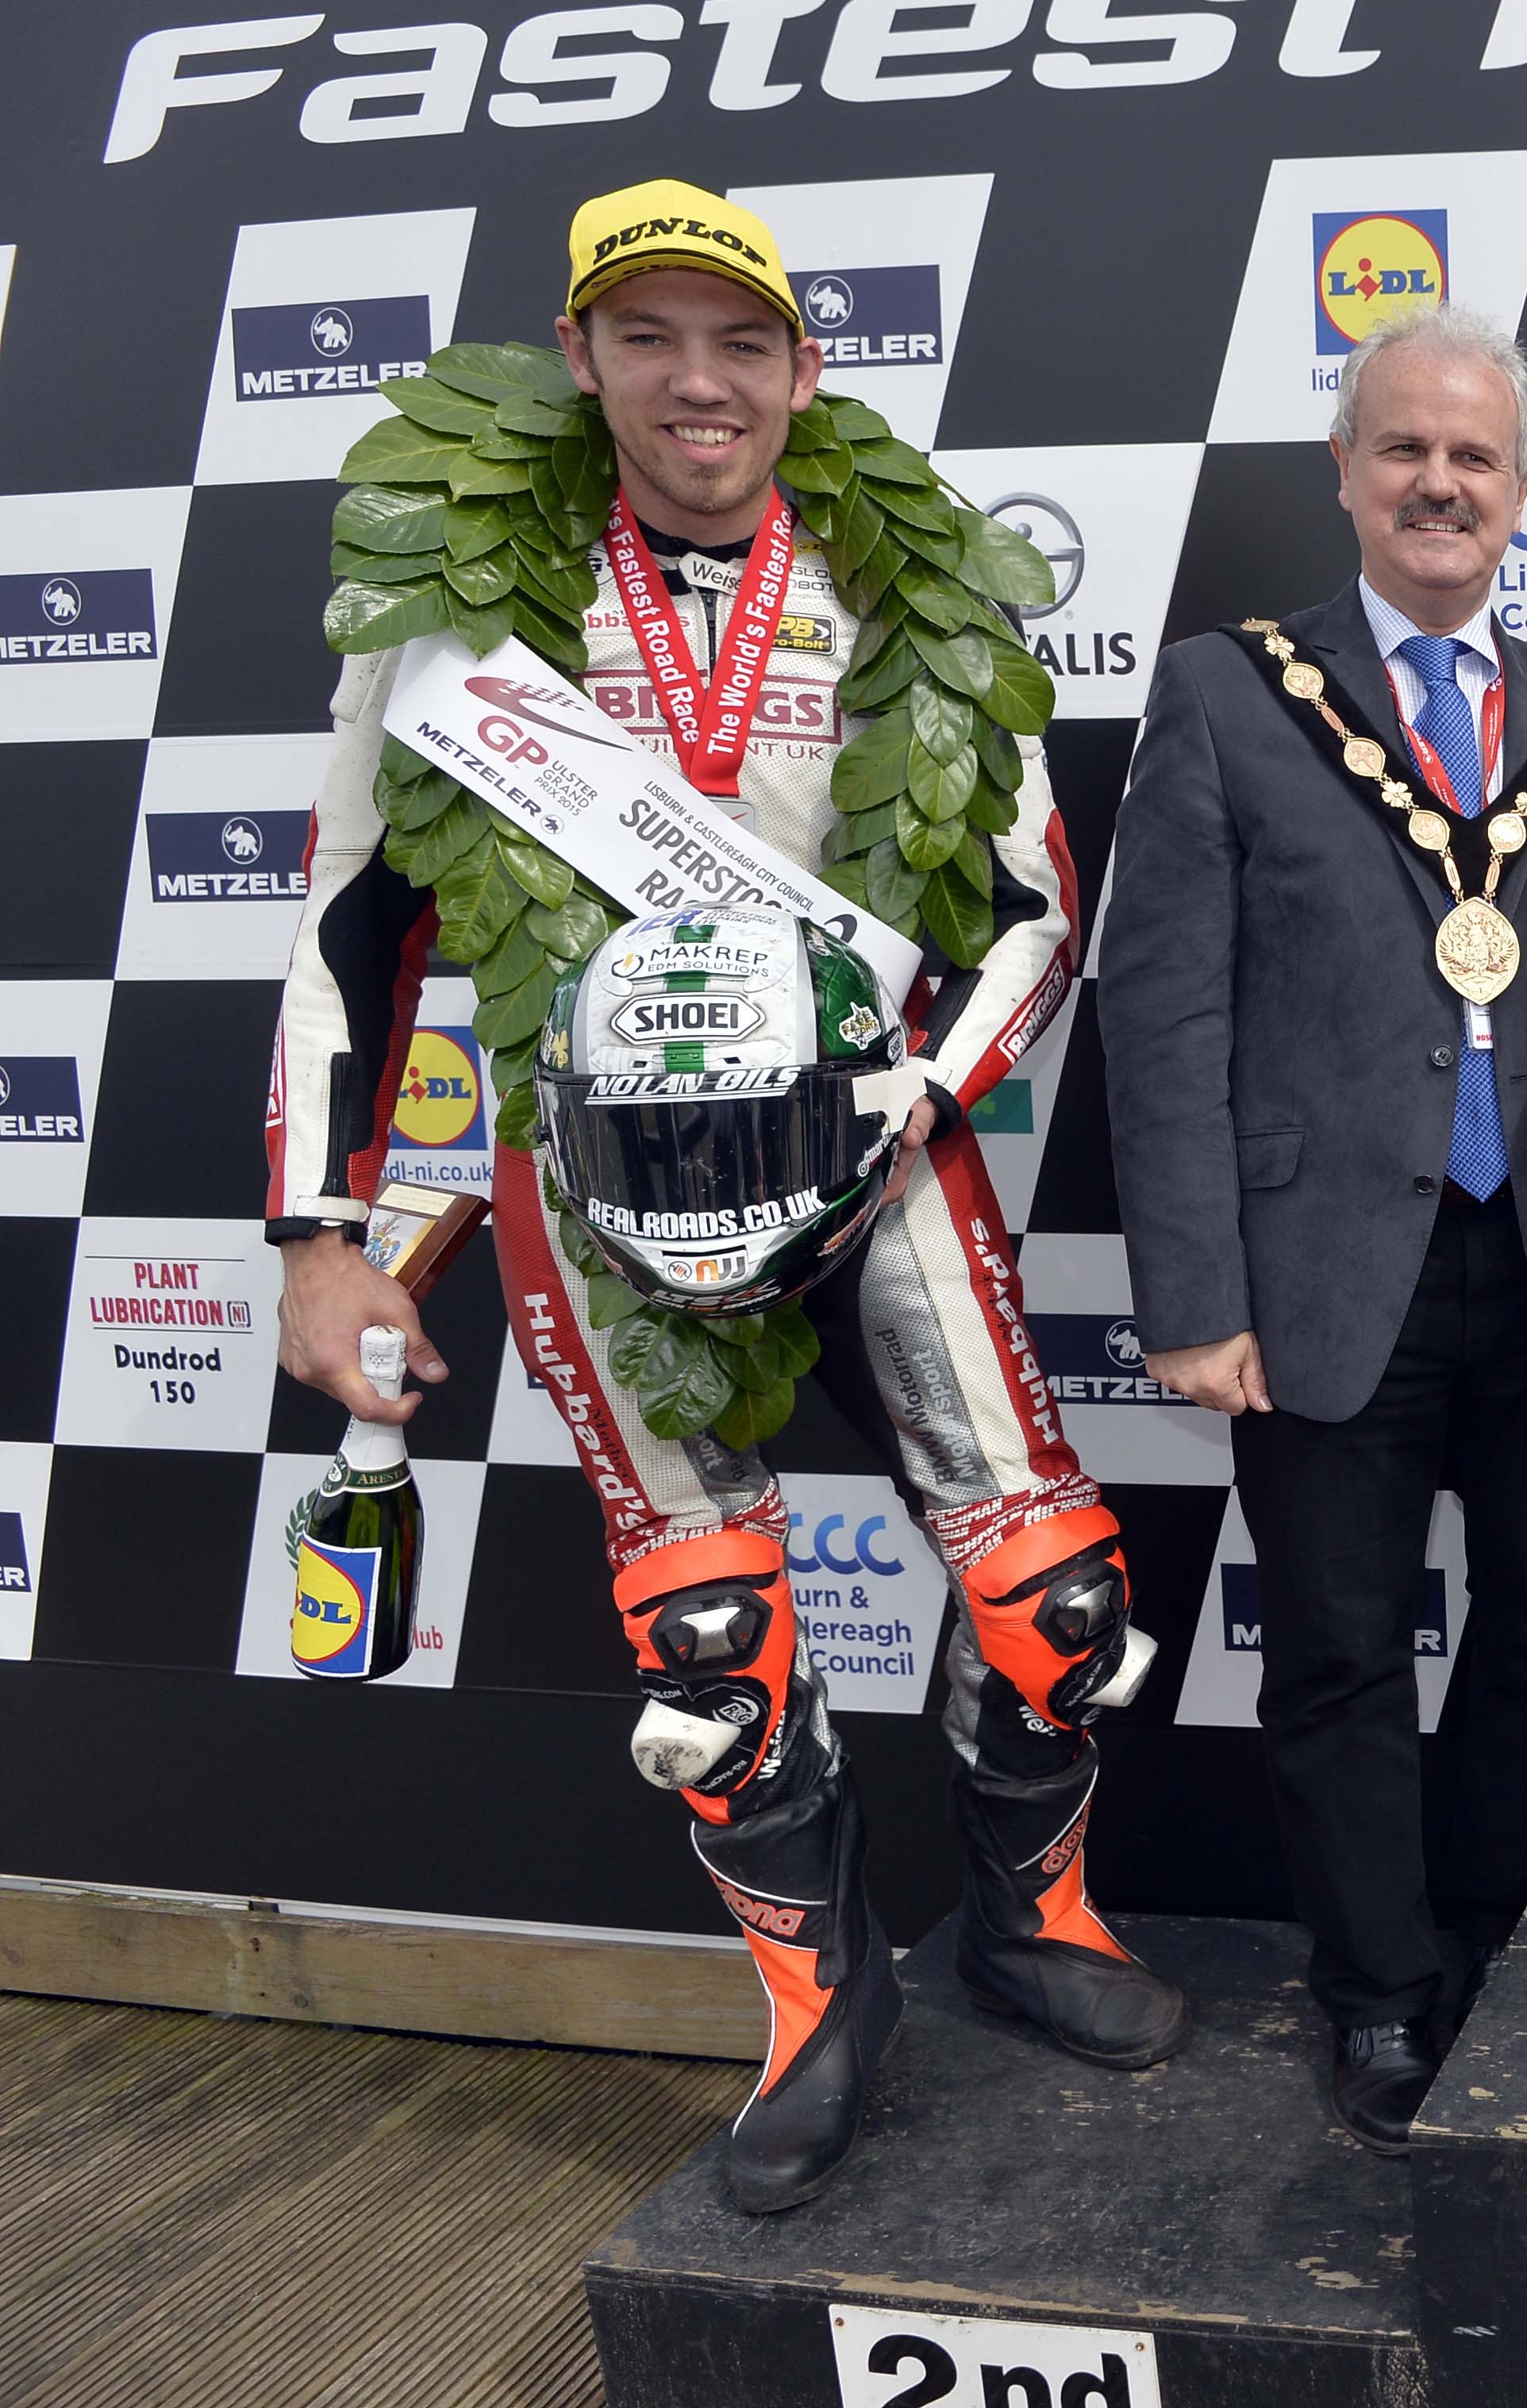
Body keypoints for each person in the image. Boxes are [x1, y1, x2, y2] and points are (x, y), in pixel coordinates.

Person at [267, 179, 1186, 2215]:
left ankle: (1037, 1916)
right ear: (580, 354)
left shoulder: (906, 587)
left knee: (1060, 1607)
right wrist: (321, 1236)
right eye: (653, 337)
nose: (702, 381)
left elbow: (1038, 915)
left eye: (742, 341)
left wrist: (907, 1099)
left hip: (883, 1153)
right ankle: (812, 2003)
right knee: (713, 1642)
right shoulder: (466, 615)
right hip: (596, 1186)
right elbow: (352, 935)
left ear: (802, 369)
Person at [1102, 303, 1527, 2156]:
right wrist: (1194, 1294)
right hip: (1313, 1282)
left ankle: (1480, 1940)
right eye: (1404, 449)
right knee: (1341, 1656)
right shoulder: (1224, 690)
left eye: (1475, 456)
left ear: (1525, 493)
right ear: (1349, 474)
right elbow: (1162, 1012)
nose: (1439, 482)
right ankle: (1375, 1992)